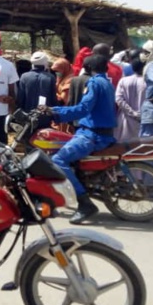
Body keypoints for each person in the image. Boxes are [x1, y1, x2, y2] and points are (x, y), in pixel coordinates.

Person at [39, 55, 117, 224]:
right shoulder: (108, 83)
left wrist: (55, 112)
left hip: (92, 135)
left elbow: (83, 108)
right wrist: (56, 110)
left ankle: (84, 203)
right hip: (97, 132)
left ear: (87, 68)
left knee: (58, 159)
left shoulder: (94, 83)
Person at [16, 52, 57, 129]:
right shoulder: (50, 77)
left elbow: (20, 98)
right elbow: (53, 99)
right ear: (45, 63)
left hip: (27, 116)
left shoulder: (24, 77)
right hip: (44, 117)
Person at [115, 59, 146, 141]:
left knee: (124, 147)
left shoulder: (123, 80)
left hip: (125, 118)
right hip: (143, 119)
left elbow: (119, 99)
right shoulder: (149, 82)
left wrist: (132, 112)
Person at [50, 58, 76, 134]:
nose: (57, 73)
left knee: (64, 134)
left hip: (65, 111)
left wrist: (52, 94)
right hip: (59, 111)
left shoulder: (70, 79)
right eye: (55, 71)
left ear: (64, 68)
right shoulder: (61, 77)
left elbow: (64, 99)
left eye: (58, 71)